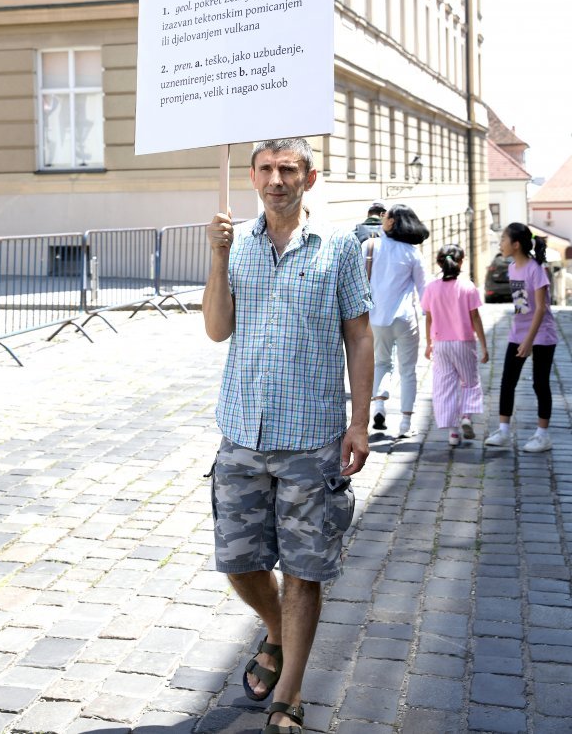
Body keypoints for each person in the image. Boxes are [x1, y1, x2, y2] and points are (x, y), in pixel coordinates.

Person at [203, 137, 374, 734]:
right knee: (239, 562)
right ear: (252, 177)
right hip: (242, 435)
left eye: (289, 169)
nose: (277, 179)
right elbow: (217, 330)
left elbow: (359, 335)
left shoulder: (339, 249)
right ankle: (275, 631)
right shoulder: (237, 245)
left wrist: (358, 422)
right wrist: (218, 257)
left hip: (311, 440)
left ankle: (290, 696)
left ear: (310, 176)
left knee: (304, 571)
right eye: (267, 169)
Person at [485, 223, 558, 453]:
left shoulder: (536, 270)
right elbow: (521, 306)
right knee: (507, 381)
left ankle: (542, 435)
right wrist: (520, 335)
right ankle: (504, 431)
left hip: (542, 334)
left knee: (540, 383)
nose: (500, 244)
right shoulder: (513, 267)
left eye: (503, 239)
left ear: (516, 244)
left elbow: (540, 310)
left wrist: (529, 341)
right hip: (519, 333)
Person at [362, 203, 428, 436]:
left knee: (381, 363)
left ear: (392, 222)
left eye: (386, 216)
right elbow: (424, 291)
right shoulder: (412, 253)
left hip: (376, 318)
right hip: (405, 318)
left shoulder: (370, 246)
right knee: (408, 370)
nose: (382, 218)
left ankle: (379, 405)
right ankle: (405, 424)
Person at [421, 243, 489, 446]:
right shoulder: (468, 286)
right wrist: (484, 346)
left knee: (446, 386)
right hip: (464, 342)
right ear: (460, 262)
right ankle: (466, 417)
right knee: (469, 381)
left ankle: (452, 433)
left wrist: (428, 344)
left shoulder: (431, 288)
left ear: (439, 262)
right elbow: (475, 318)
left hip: (440, 343)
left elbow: (429, 318)